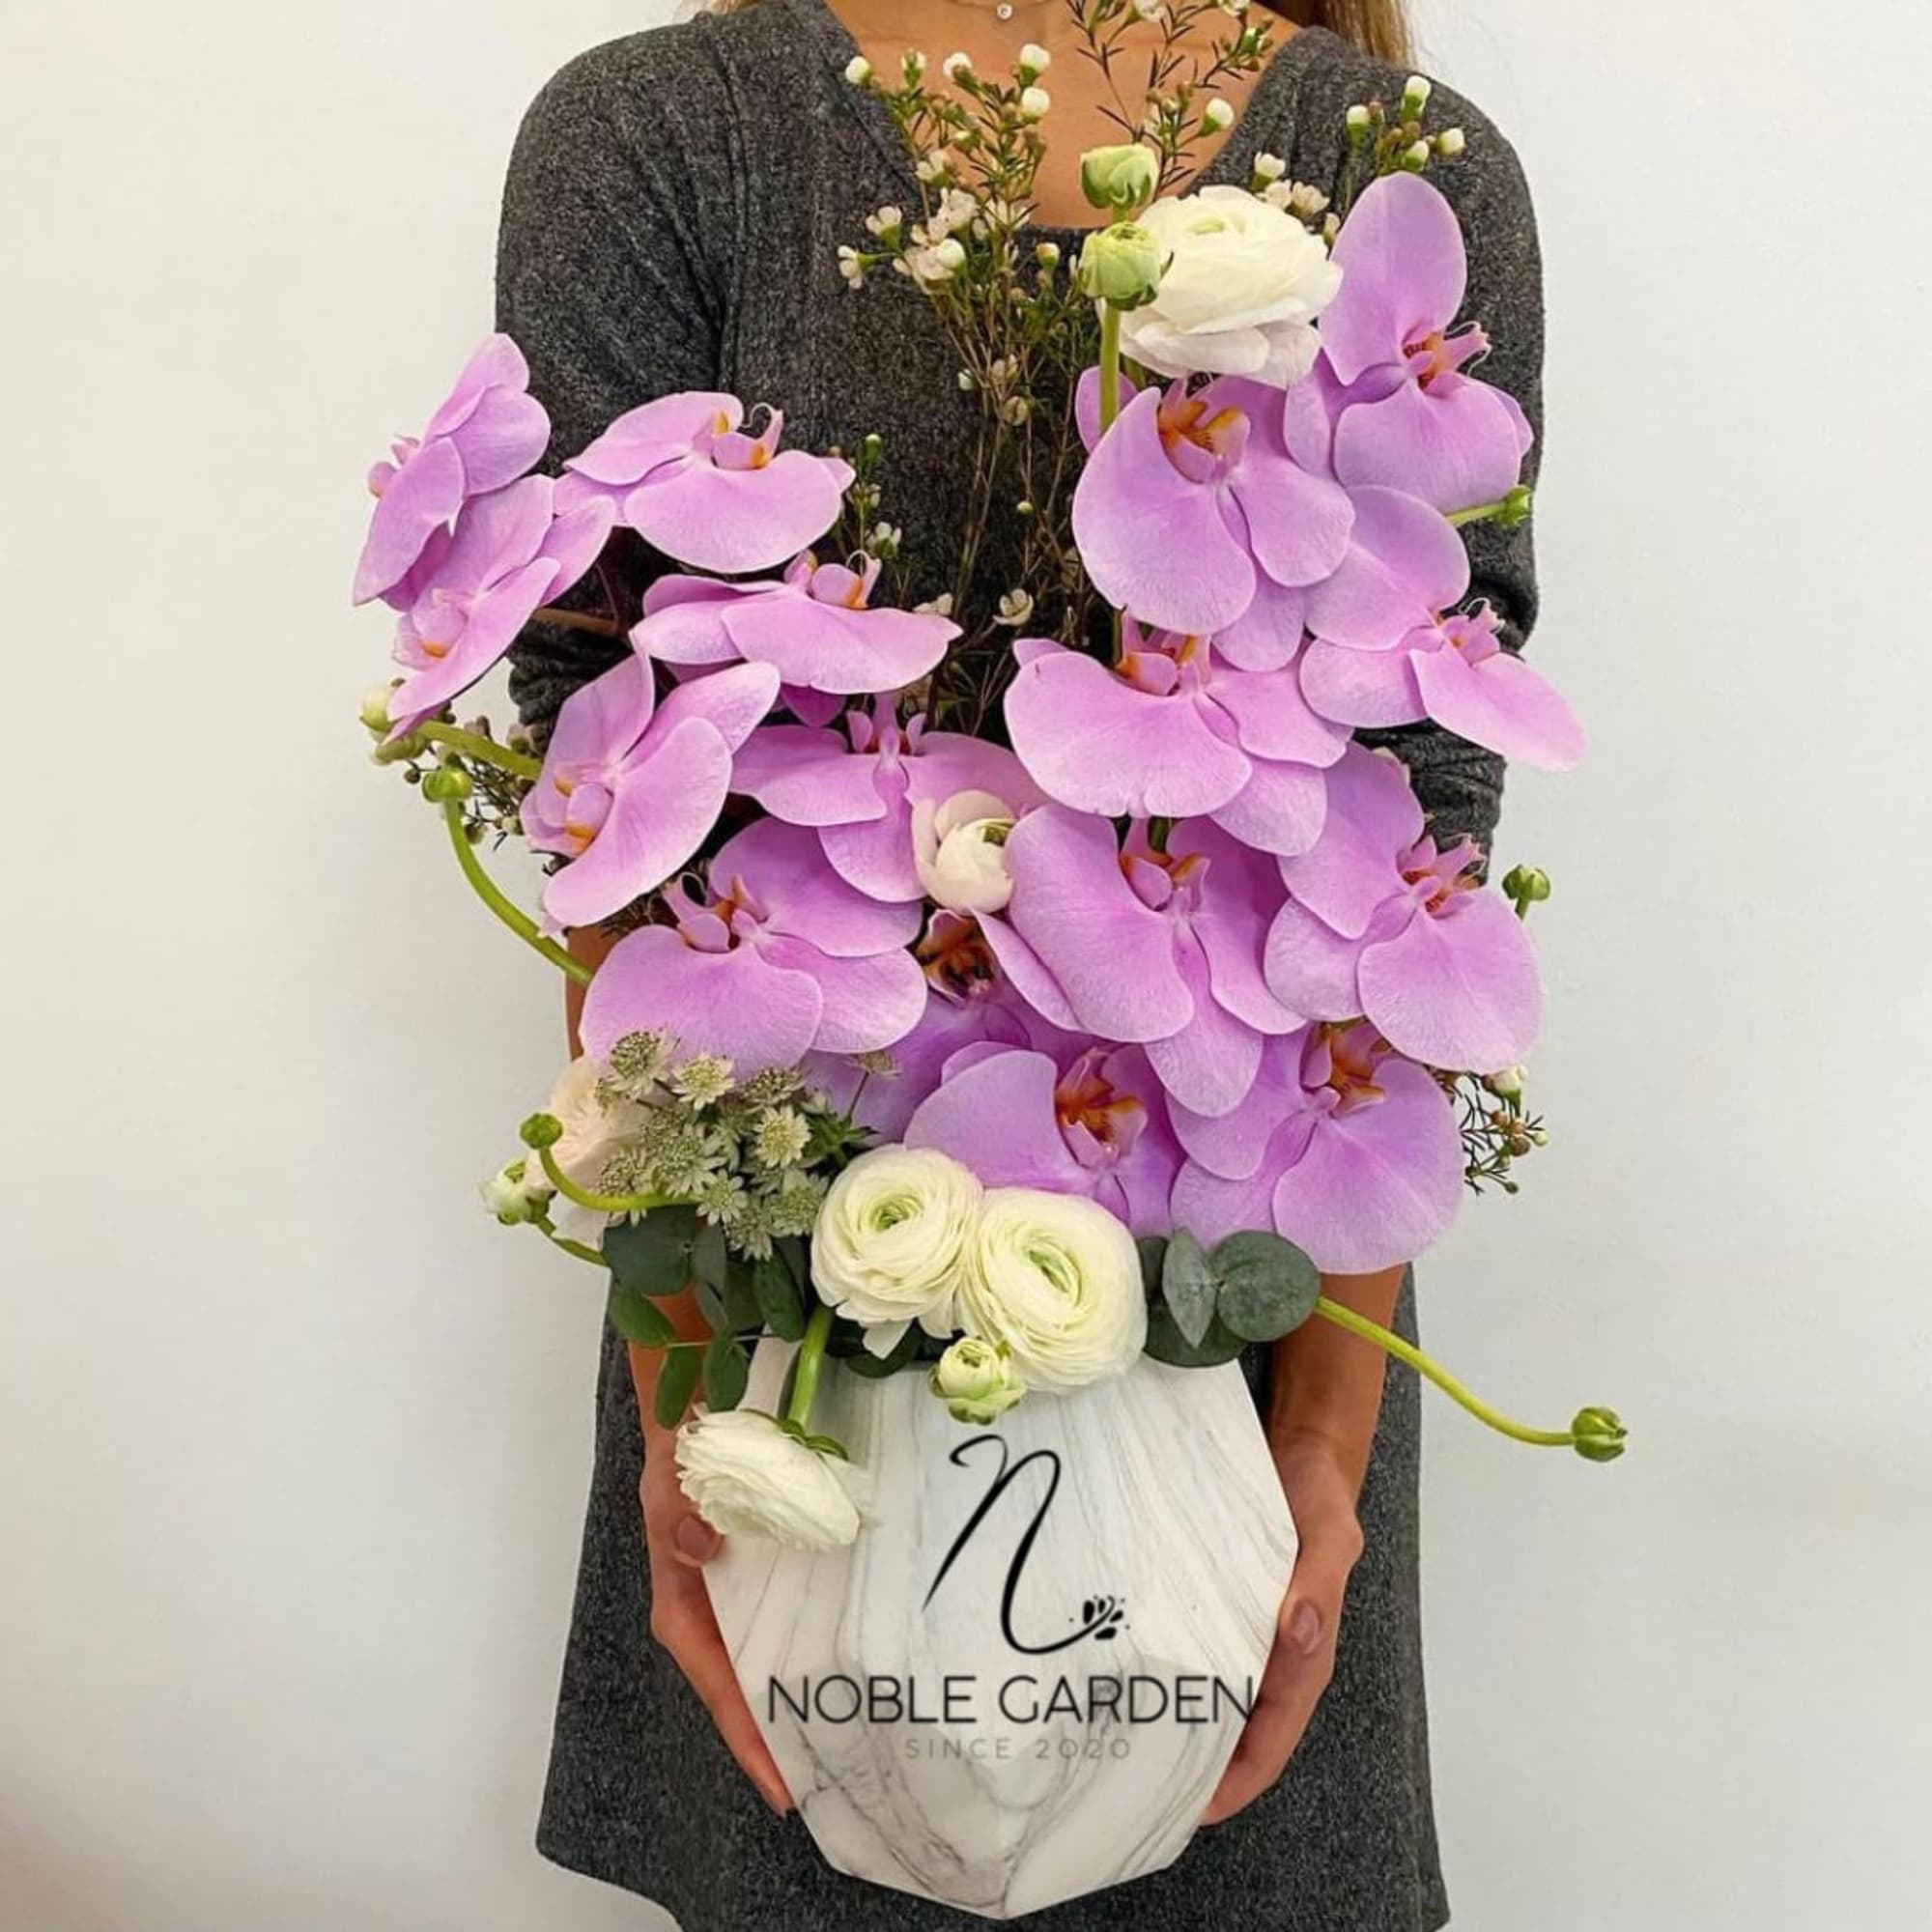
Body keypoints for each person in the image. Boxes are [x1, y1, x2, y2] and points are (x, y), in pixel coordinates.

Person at [499, 2, 1542, 1925]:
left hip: (1247, 1332)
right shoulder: (666, 135)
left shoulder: (1400, 147)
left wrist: (1322, 1454)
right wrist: (693, 1407)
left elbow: (1418, 809)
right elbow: (598, 763)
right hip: (794, 1342)